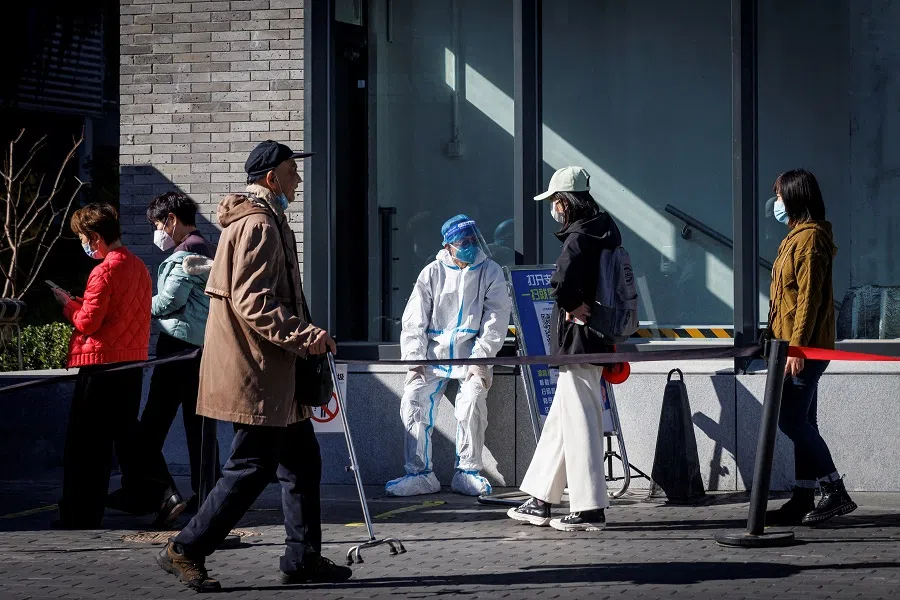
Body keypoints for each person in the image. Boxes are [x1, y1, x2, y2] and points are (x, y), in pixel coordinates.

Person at [157, 140, 350, 592]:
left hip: (275, 371)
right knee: (250, 466)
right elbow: (254, 301)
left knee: (302, 463)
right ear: (270, 179)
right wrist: (307, 336)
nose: (298, 181)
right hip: (259, 372)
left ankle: (302, 558)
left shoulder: (265, 219)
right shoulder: (258, 224)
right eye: (291, 172)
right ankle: (186, 548)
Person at [507, 166, 621, 532]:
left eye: (555, 201)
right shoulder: (605, 229)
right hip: (598, 335)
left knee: (580, 421)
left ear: (566, 201)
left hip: (579, 340)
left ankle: (589, 508)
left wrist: (572, 304)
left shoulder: (578, 237)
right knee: (562, 420)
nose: (554, 208)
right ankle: (540, 500)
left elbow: (560, 283)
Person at [106, 192, 219, 526]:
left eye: (157, 224)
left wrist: (131, 307)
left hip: (179, 351)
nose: (157, 232)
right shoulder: (206, 248)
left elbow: (168, 301)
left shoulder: (187, 255)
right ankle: (205, 497)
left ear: (171, 219)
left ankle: (158, 493)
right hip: (201, 351)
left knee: (150, 428)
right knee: (198, 427)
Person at [385, 214, 511, 497]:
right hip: (434, 355)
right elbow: (414, 319)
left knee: (472, 404)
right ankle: (419, 474)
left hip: (471, 356)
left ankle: (467, 471)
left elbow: (496, 319)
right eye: (461, 242)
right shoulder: (432, 272)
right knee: (414, 402)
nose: (468, 246)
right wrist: (414, 361)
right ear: (448, 245)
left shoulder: (489, 271)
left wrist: (481, 358)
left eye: (471, 240)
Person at [51, 203, 152, 529]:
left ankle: (79, 514)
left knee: (85, 446)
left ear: (95, 236)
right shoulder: (139, 266)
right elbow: (119, 316)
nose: (83, 243)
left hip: (100, 366)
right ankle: (154, 494)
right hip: (131, 365)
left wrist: (68, 305)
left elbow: (89, 323)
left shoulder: (104, 270)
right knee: (117, 438)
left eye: (82, 237)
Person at [765, 168, 857, 526]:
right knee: (802, 419)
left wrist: (797, 348)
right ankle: (803, 495)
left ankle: (834, 490)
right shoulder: (794, 237)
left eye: (779, 195)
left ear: (795, 197)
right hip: (787, 346)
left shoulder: (812, 239)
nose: (776, 202)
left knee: (790, 419)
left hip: (803, 349)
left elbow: (809, 299)